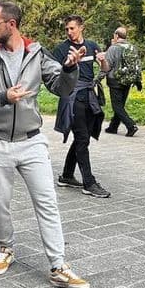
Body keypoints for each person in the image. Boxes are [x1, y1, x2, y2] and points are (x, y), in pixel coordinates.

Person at [0, 0, 89, 288]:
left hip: (31, 141)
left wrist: (70, 70)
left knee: (46, 201)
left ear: (12, 25)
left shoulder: (37, 53)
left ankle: (58, 266)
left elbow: (60, 87)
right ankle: (6, 248)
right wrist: (2, 98)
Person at [52, 14, 111, 198]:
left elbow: (106, 69)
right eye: (67, 29)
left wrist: (102, 60)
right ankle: (89, 182)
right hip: (72, 97)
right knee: (82, 137)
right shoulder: (62, 49)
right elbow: (53, 76)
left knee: (82, 138)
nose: (69, 32)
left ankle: (67, 176)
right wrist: (68, 64)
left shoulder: (92, 45)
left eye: (72, 28)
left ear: (81, 27)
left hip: (88, 95)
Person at [104, 26, 142, 137]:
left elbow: (107, 66)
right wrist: (138, 80)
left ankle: (131, 126)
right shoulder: (132, 47)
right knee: (120, 105)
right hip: (128, 80)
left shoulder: (113, 48)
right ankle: (113, 127)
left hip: (115, 80)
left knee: (117, 106)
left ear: (116, 35)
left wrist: (97, 79)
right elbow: (137, 65)